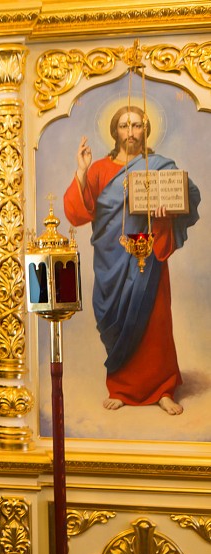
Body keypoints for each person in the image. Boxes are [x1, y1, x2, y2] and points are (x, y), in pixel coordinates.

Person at [63, 105, 201, 414]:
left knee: (155, 322)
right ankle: (122, 388)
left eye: (137, 125)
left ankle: (163, 389)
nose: (131, 132)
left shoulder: (159, 166)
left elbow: (187, 195)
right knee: (114, 320)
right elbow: (77, 213)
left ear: (145, 130)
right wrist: (82, 172)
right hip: (111, 260)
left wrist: (168, 210)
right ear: (115, 131)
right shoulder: (99, 169)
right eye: (124, 126)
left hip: (149, 257)